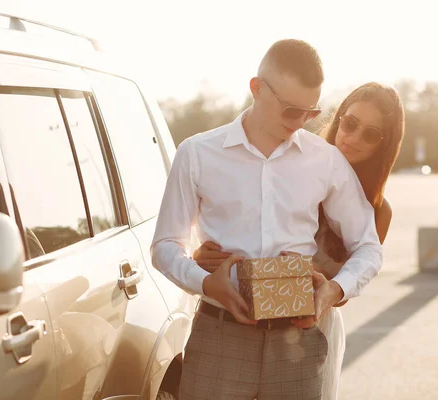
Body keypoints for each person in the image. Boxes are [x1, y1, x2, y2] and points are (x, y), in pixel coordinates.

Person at [151, 39, 383, 400]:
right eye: (292, 110)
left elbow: (369, 247)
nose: (301, 122)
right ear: (256, 89)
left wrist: (333, 291)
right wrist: (207, 284)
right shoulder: (197, 154)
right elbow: (165, 246)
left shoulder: (325, 160)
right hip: (218, 339)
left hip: (300, 346)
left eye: (311, 113)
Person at [192, 81, 405, 399]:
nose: (354, 138)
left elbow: (346, 289)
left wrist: (326, 290)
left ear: (383, 146)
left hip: (310, 327)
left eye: (371, 134)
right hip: (237, 324)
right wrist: (204, 256)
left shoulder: (376, 210)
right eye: (351, 123)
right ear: (339, 118)